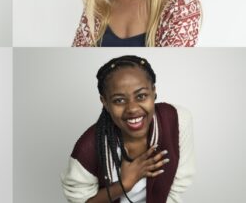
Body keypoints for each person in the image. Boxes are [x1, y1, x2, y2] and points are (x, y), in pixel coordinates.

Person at [61, 55, 195, 202]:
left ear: (153, 91)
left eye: (141, 96)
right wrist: (124, 184)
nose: (132, 109)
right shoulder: (89, 147)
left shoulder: (176, 121)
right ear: (105, 102)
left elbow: (176, 188)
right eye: (119, 100)